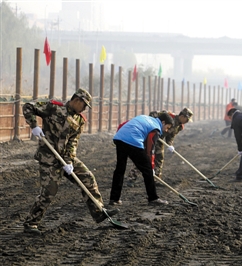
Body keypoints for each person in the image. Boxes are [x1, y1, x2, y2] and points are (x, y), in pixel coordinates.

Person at [22, 88, 119, 235]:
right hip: (49, 158)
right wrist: (34, 125)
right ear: (77, 100)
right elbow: (28, 106)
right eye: (84, 105)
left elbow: (72, 142)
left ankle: (99, 212)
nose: (85, 109)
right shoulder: (53, 107)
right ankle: (31, 223)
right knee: (49, 191)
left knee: (87, 177)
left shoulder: (80, 120)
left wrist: (69, 162)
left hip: (65, 159)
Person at [109, 112, 174, 206]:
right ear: (163, 122)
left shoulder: (145, 118)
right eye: (167, 127)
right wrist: (151, 167)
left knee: (120, 169)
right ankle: (153, 198)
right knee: (147, 170)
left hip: (119, 137)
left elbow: (125, 124)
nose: (167, 130)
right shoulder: (155, 129)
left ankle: (114, 199)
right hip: (133, 141)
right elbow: (150, 150)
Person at [132, 107, 193, 181]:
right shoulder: (168, 116)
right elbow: (152, 114)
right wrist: (154, 126)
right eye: (187, 120)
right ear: (183, 116)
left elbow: (171, 136)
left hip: (159, 140)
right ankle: (132, 176)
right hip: (151, 137)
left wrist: (170, 145)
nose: (187, 122)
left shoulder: (179, 127)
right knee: (146, 157)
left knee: (159, 157)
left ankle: (156, 178)